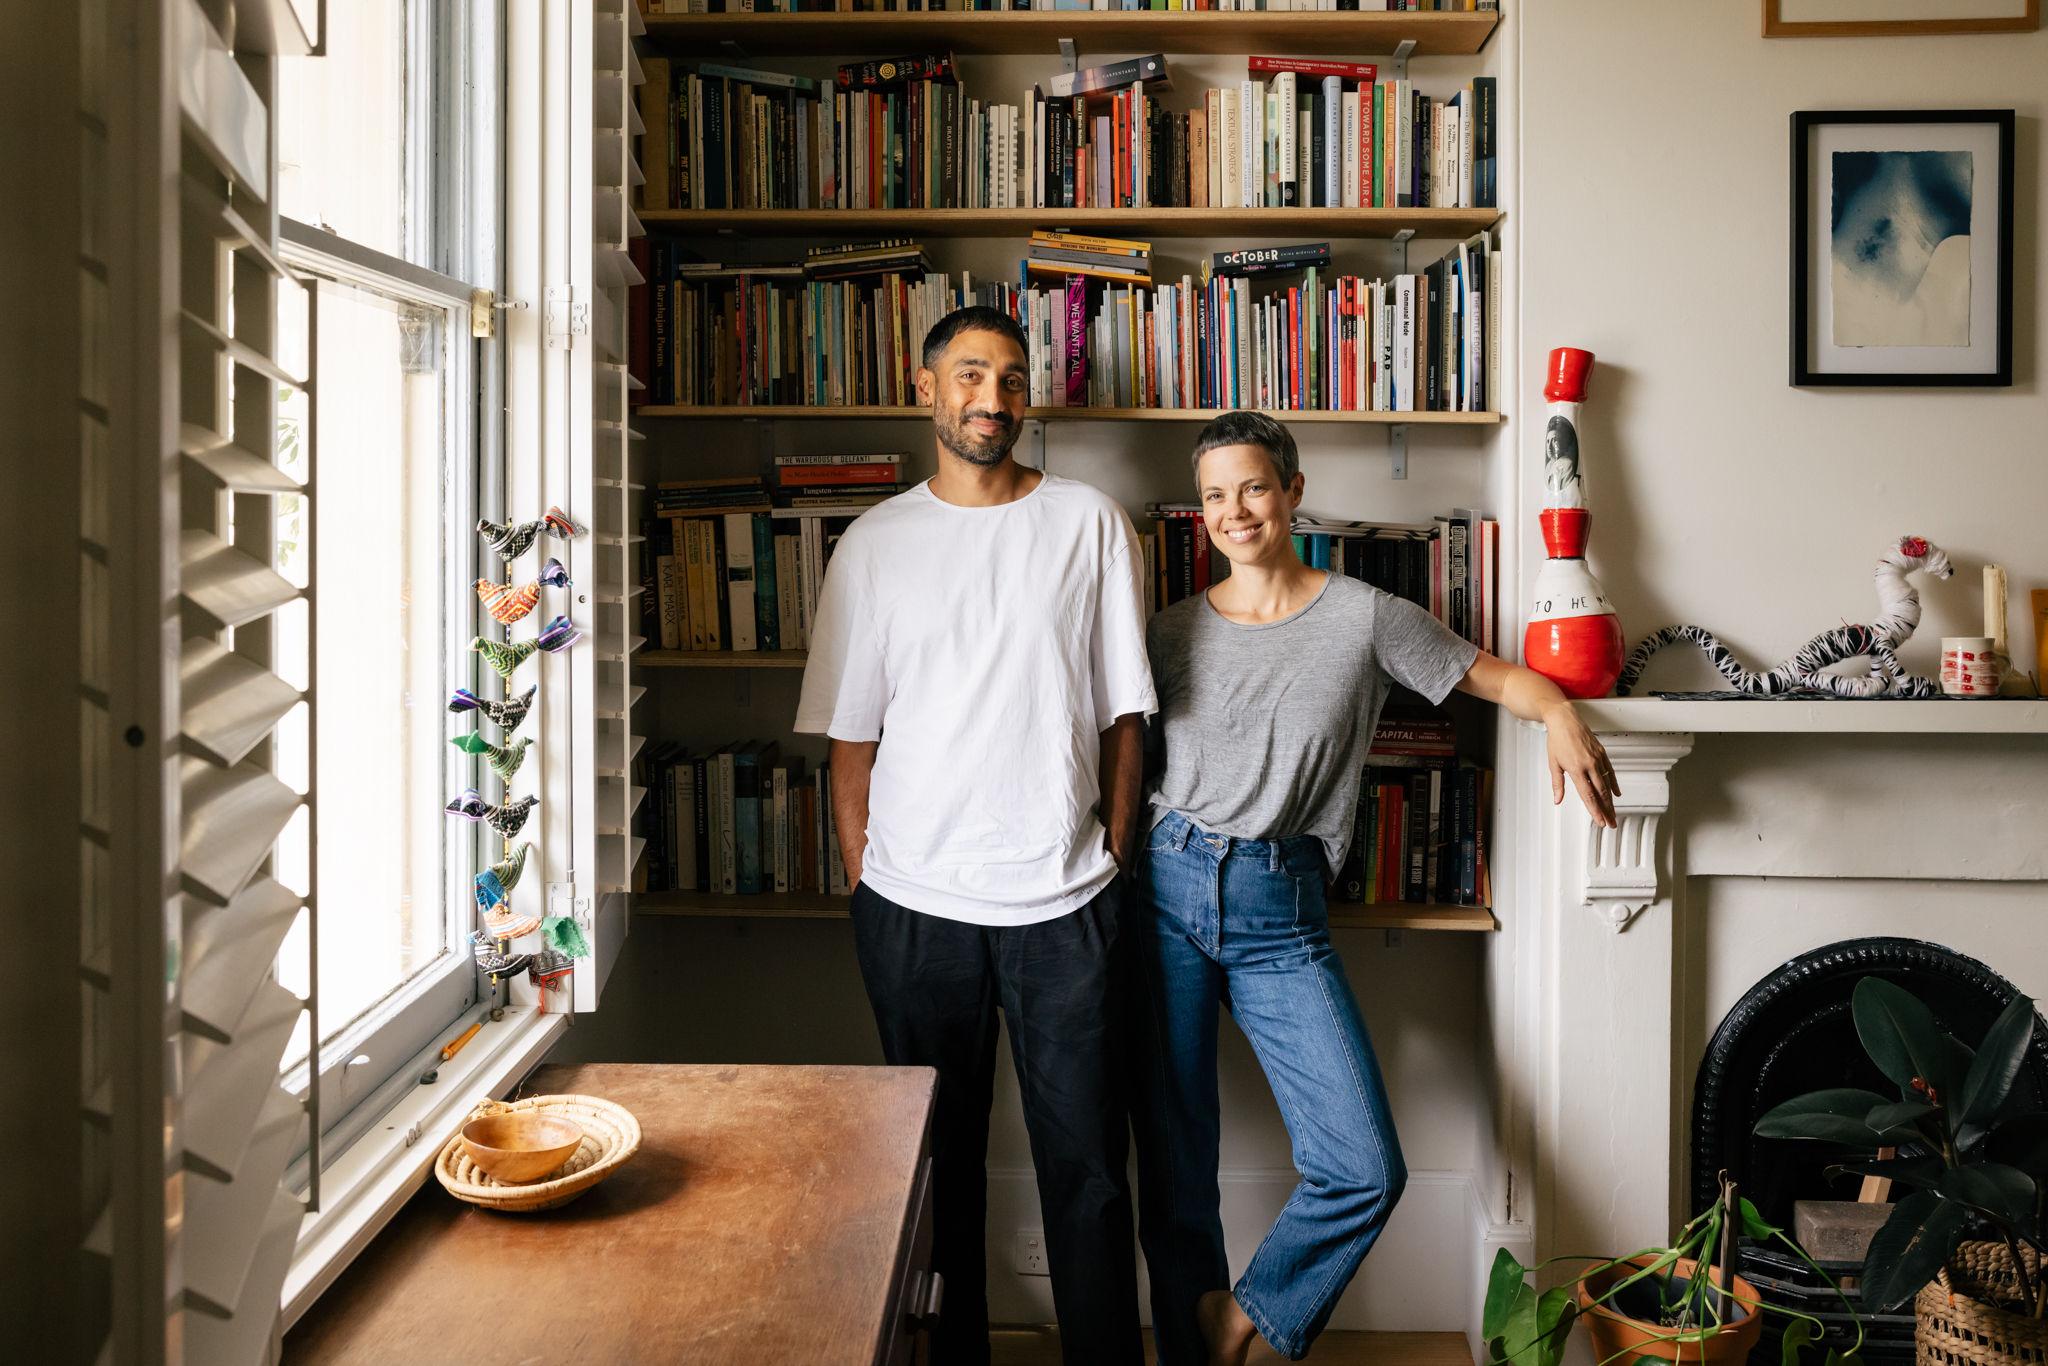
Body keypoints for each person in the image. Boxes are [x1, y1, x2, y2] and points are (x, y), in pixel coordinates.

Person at [1132, 411, 1620, 1366]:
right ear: (1201, 513)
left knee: (1362, 1166)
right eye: (1216, 496)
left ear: (1294, 491)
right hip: (1165, 889)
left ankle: (1238, 1322)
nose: (1236, 511)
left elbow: (1491, 680)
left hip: (1285, 910)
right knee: (1176, 1157)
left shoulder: (1364, 616)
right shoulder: (1169, 631)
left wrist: (1557, 707)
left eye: (1255, 487)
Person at [795, 306, 1154, 1366]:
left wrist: (1115, 853)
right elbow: (850, 741)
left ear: (1026, 395)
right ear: (924, 389)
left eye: (1007, 378)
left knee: (1087, 1170)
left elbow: (1123, 713)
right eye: (967, 376)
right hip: (913, 910)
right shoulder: (872, 546)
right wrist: (868, 880)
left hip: (1064, 903)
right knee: (931, 1171)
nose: (989, 398)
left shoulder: (1090, 521)